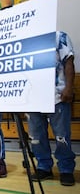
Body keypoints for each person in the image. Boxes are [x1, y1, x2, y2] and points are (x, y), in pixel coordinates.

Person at [27, 31, 76, 186]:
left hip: (57, 96)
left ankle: (66, 169)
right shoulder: (25, 40)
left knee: (62, 136)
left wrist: (69, 88)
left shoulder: (59, 36)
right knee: (36, 137)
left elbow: (69, 61)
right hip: (32, 98)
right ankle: (44, 167)